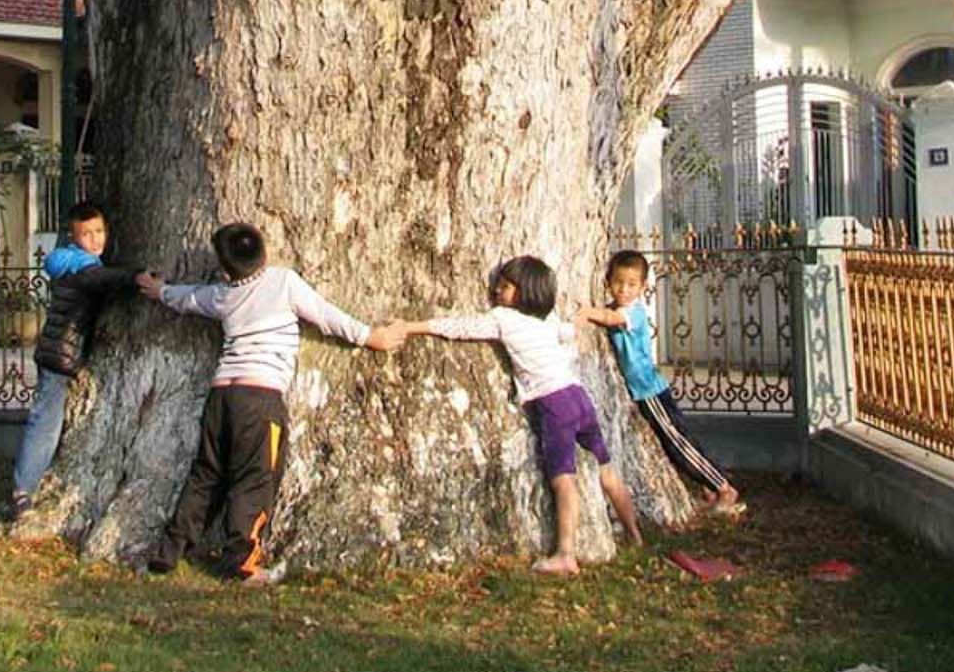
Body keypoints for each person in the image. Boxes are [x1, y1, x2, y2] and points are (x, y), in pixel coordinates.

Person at [136, 222, 406, 582]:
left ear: (225, 269)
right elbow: (326, 316)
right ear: (263, 253)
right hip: (259, 398)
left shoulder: (223, 295)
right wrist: (371, 336)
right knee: (255, 478)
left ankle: (169, 551)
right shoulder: (283, 282)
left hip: (222, 394)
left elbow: (189, 297)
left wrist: (158, 289)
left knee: (206, 474)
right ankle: (241, 562)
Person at [399, 255, 642, 573]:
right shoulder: (548, 318)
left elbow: (460, 327)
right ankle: (635, 534)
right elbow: (566, 334)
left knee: (563, 479)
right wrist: (576, 323)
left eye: (505, 286)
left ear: (524, 291)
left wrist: (414, 326)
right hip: (578, 395)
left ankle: (566, 553)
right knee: (606, 469)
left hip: (553, 403)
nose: (498, 291)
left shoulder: (503, 318)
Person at [576, 248, 744, 517]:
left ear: (642, 287)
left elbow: (612, 319)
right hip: (643, 391)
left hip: (649, 391)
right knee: (673, 444)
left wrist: (586, 313)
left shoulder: (634, 312)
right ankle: (711, 489)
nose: (624, 289)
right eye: (618, 282)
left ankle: (724, 488)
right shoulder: (617, 307)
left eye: (632, 284)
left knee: (678, 443)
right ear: (608, 281)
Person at [9, 201, 144, 518]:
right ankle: (22, 490)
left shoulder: (72, 261)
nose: (96, 239)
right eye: (87, 234)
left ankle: (26, 484)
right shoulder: (81, 267)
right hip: (59, 356)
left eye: (99, 231)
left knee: (48, 419)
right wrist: (135, 276)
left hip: (58, 351)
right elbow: (100, 280)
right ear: (73, 237)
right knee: (45, 423)